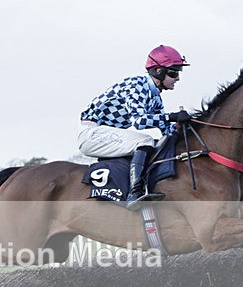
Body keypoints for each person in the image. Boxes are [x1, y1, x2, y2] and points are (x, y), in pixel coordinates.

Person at [78, 45, 192, 210]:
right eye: (174, 73)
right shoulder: (136, 85)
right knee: (144, 141)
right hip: (92, 133)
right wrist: (172, 116)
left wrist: (183, 129)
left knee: (156, 143)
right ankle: (134, 194)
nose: (178, 78)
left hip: (108, 133)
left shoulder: (155, 98)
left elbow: (166, 130)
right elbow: (139, 121)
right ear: (158, 71)